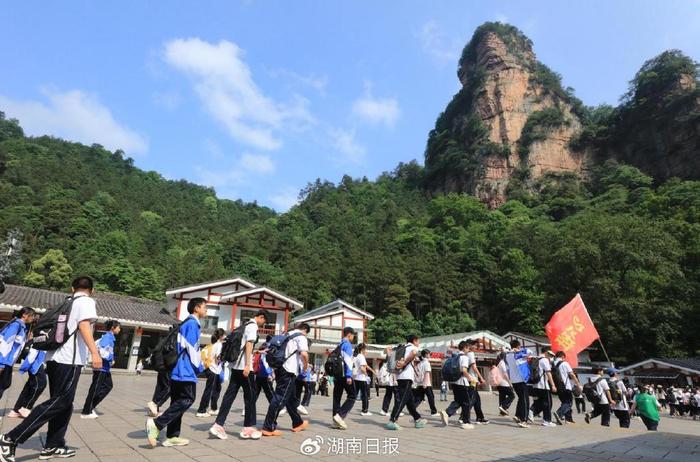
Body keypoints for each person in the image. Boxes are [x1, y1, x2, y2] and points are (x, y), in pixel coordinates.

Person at [0, 276, 101, 461]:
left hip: (53, 358)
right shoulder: (86, 301)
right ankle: (10, 438)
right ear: (91, 290)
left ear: (72, 288)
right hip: (69, 361)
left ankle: (54, 445)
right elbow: (84, 324)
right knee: (60, 402)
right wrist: (95, 353)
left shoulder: (67, 302)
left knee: (65, 404)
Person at [146, 297, 206, 448]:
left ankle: (172, 436)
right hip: (184, 369)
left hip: (176, 369)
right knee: (188, 399)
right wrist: (199, 367)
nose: (206, 310)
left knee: (177, 400)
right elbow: (192, 349)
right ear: (196, 308)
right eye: (205, 307)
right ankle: (157, 424)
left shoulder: (186, 322)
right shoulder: (193, 324)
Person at [210, 310, 268, 440]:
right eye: (264, 321)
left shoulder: (244, 325)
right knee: (251, 396)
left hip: (235, 366)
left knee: (229, 395)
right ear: (260, 317)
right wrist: (248, 365)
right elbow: (249, 344)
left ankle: (218, 424)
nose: (263, 324)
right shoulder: (253, 326)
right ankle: (249, 427)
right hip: (244, 367)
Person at [261, 323, 311, 436]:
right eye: (307, 333)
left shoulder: (287, 334)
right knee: (280, 397)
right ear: (305, 330)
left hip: (280, 368)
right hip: (289, 370)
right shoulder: (301, 336)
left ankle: (298, 423)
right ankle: (268, 427)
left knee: (290, 398)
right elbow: (304, 354)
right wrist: (306, 366)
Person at [81, 319, 121, 418]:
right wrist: (110, 358)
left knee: (108, 386)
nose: (119, 329)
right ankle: (86, 411)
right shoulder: (108, 337)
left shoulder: (110, 337)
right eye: (118, 327)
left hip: (105, 368)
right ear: (113, 328)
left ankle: (91, 406)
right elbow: (102, 349)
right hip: (101, 367)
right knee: (95, 388)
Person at [386, 334, 427, 430]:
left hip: (400, 376)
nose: (419, 343)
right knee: (402, 399)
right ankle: (393, 420)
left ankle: (417, 419)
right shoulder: (412, 347)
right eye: (418, 340)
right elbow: (413, 353)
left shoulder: (403, 347)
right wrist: (405, 363)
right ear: (415, 340)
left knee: (409, 400)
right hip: (407, 377)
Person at [0, 307, 36, 401]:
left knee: (4, 384)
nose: (33, 318)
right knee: (2, 385)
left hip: (8, 362)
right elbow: (6, 344)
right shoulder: (16, 326)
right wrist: (1, 363)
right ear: (24, 315)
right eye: (32, 316)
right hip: (5, 361)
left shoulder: (22, 327)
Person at [439, 341, 475, 429]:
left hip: (454, 382)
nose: (469, 349)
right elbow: (464, 370)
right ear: (465, 347)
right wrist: (471, 378)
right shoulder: (464, 357)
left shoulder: (455, 356)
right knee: (466, 402)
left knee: (458, 401)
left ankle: (447, 413)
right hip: (462, 382)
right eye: (468, 348)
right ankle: (466, 422)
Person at [7, 346, 47, 418]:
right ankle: (25, 408)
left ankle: (17, 409)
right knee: (40, 384)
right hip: (36, 358)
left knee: (31, 385)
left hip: (36, 356)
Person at [195, 329, 225, 417]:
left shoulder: (214, 344)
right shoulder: (219, 345)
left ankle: (214, 408)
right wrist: (224, 358)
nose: (225, 337)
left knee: (216, 389)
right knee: (209, 390)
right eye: (224, 335)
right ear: (221, 336)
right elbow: (217, 358)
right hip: (213, 369)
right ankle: (201, 410)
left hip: (213, 369)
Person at [332, 327, 357, 429]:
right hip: (344, 374)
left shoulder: (339, 344)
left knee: (337, 396)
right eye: (353, 335)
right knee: (352, 395)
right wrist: (349, 375)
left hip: (337, 375)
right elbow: (348, 361)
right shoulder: (347, 345)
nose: (353, 337)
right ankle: (340, 415)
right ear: (349, 335)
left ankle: (335, 420)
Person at [504, 339, 532, 428]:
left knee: (521, 398)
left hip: (514, 380)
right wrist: (519, 351)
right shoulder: (520, 354)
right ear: (519, 346)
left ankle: (518, 415)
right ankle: (524, 420)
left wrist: (515, 350)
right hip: (521, 380)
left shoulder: (508, 355)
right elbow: (530, 352)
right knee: (525, 400)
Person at [529, 351, 557, 427]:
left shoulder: (537, 359)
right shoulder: (544, 360)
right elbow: (548, 373)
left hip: (535, 385)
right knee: (548, 403)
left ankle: (531, 411)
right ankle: (547, 421)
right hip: (543, 386)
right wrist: (553, 385)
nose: (551, 357)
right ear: (546, 353)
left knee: (539, 402)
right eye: (550, 355)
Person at [552, 351, 581, 424]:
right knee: (569, 403)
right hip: (565, 386)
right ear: (562, 357)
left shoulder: (552, 363)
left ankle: (568, 419)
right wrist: (578, 384)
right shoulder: (564, 363)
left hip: (557, 386)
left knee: (564, 402)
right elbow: (572, 374)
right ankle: (559, 413)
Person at [413, 349, 438, 416]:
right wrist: (425, 383)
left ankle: (412, 409)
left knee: (419, 398)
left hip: (420, 383)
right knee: (431, 397)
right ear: (426, 355)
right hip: (426, 383)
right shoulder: (426, 363)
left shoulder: (420, 363)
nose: (430, 355)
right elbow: (427, 373)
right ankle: (434, 412)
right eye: (429, 354)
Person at [353, 343, 372, 416]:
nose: (366, 351)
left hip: (356, 378)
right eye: (366, 349)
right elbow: (362, 368)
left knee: (354, 395)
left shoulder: (356, 356)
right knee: (365, 395)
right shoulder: (361, 356)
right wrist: (366, 375)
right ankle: (365, 410)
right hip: (362, 378)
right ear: (363, 349)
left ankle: (347, 407)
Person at [379, 346, 398, 416]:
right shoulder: (391, 357)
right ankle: (397, 410)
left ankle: (384, 410)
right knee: (397, 395)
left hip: (388, 380)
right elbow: (393, 368)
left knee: (388, 394)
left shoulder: (387, 359)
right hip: (392, 380)